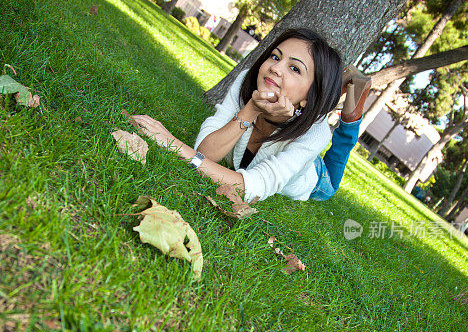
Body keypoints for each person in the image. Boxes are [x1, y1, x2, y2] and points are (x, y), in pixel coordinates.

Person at [129, 28, 372, 204]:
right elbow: (207, 153)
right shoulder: (248, 81)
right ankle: (332, 88)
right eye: (276, 56)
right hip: (304, 109)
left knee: (333, 175)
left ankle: (351, 106)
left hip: (314, 174)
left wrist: (175, 147)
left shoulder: (315, 133)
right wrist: (252, 109)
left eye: (295, 68)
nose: (275, 67)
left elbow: (251, 188)